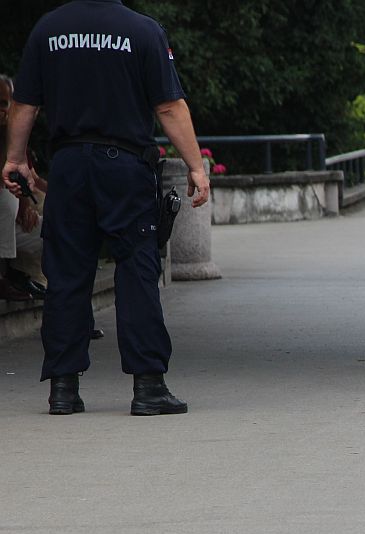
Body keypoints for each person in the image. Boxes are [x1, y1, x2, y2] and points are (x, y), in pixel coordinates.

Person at [2, 1, 210, 416]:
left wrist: (15, 158)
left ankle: (63, 388)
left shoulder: (48, 29)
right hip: (125, 166)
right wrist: (195, 167)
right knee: (136, 268)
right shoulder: (142, 31)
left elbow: (25, 104)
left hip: (68, 167)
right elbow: (168, 106)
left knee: (66, 274)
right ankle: (148, 386)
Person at [0, 73, 33, 302]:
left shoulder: (14, 137)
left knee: (52, 228)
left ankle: (66, 302)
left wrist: (27, 203)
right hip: (5, 212)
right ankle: (3, 276)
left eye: (4, 103)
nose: (2, 110)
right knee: (6, 200)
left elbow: (26, 178)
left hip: (11, 225)